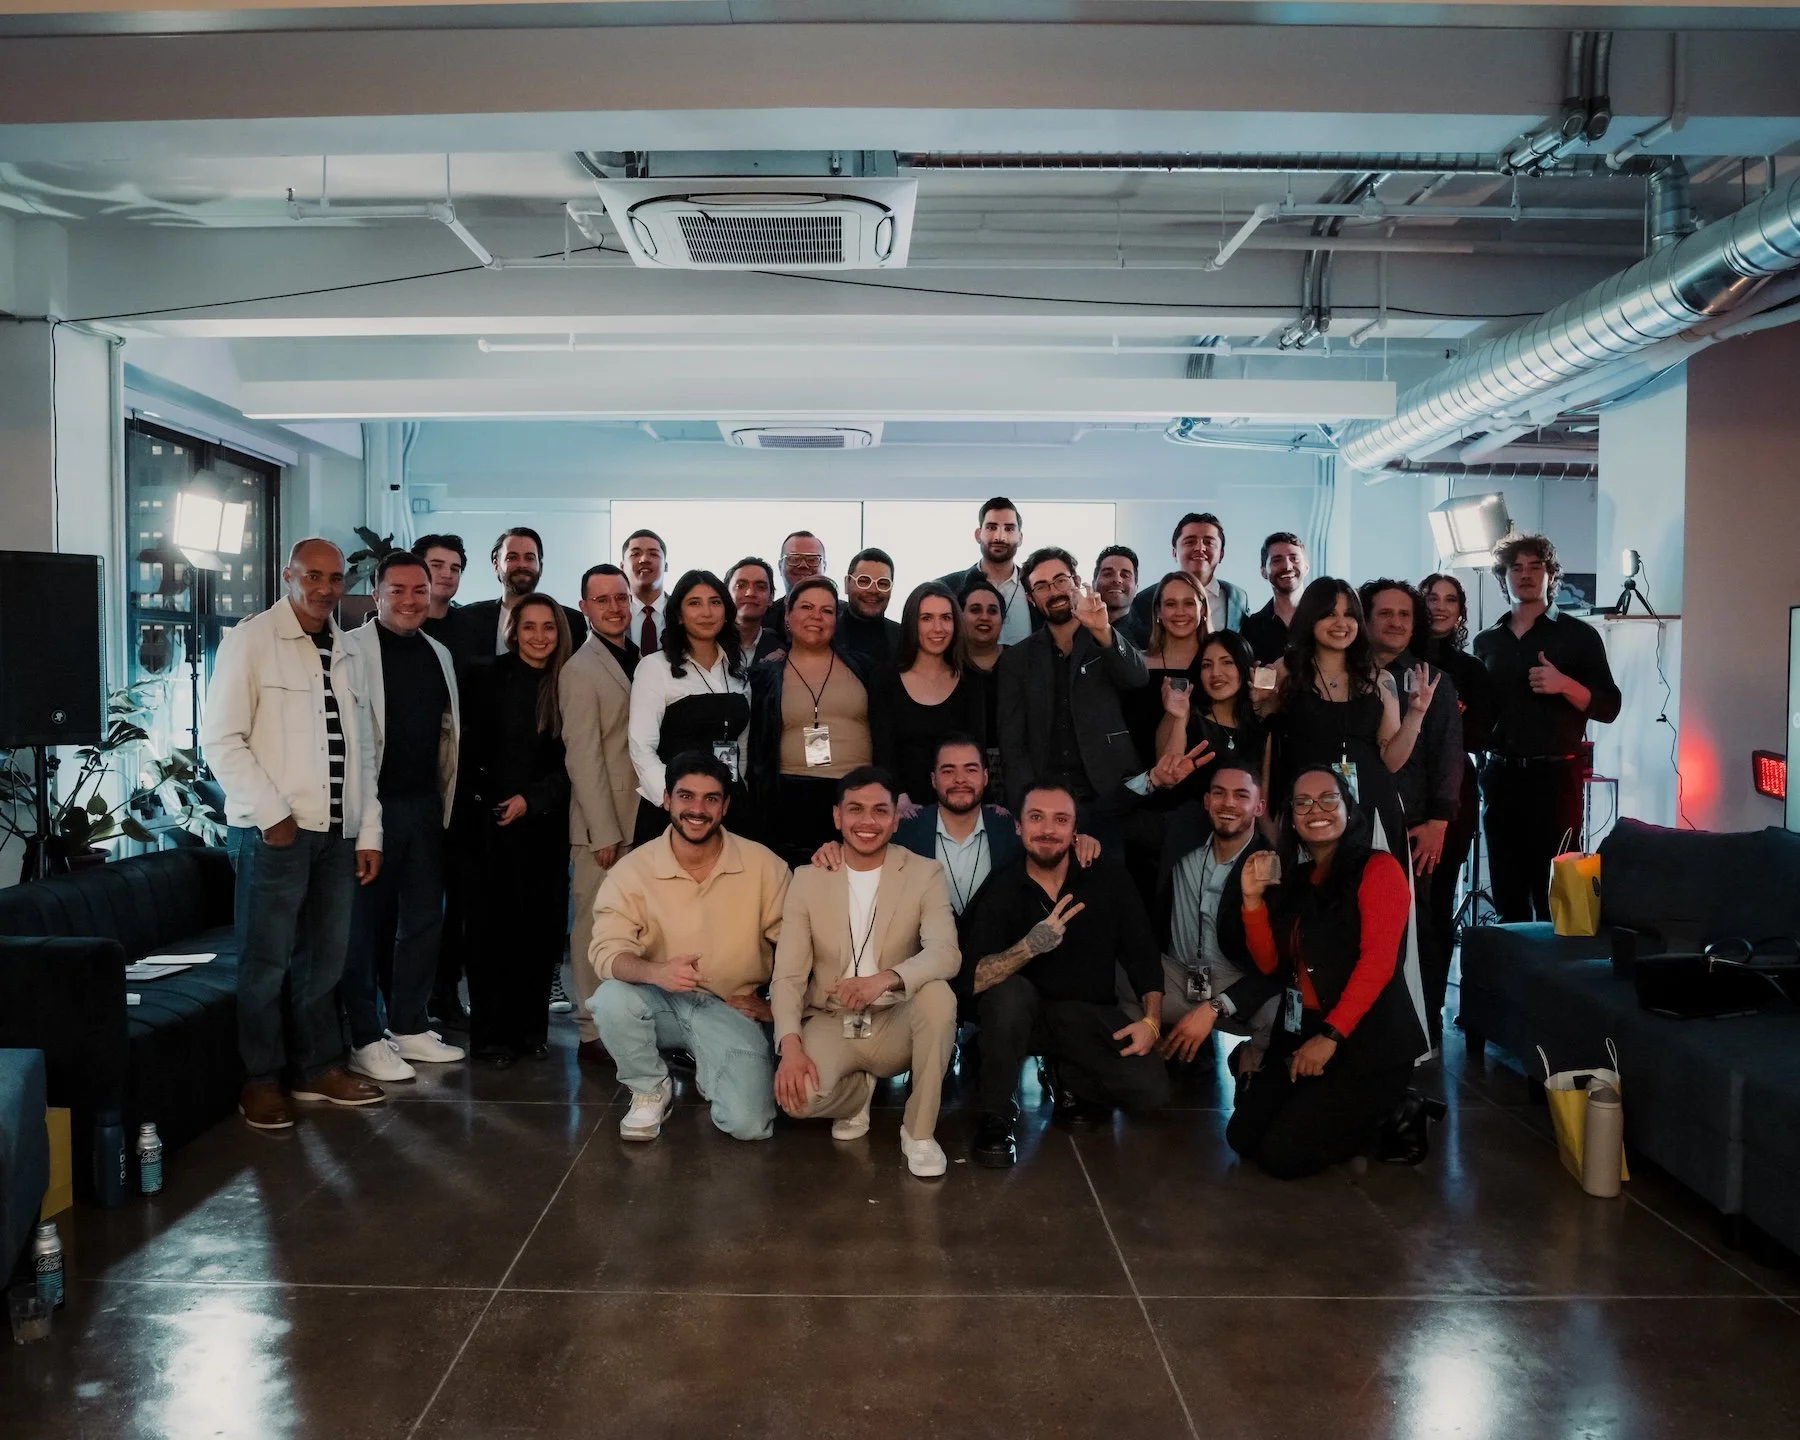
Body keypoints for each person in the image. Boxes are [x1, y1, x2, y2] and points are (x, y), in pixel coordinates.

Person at [202, 538, 386, 1128]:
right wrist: (270, 812)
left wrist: (368, 831)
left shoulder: (347, 650)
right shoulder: (251, 641)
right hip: (276, 833)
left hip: (338, 833)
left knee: (324, 962)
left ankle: (317, 1068)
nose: (325, 588)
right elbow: (221, 740)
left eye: (334, 579)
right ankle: (259, 1079)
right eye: (313, 576)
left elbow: (363, 752)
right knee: (265, 962)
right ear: (288, 576)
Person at [1227, 766, 1434, 1179]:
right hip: (1307, 1033)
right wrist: (1251, 901)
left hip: (1367, 1044)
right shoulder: (1298, 878)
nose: (1315, 809)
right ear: (1291, 816)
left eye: (1328, 799)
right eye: (1302, 802)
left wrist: (1330, 1037)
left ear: (1347, 807)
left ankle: (1396, 1111)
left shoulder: (1379, 870)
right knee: (1241, 1137)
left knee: (1281, 1157)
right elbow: (1271, 964)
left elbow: (1377, 965)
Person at [962, 782, 1169, 1167]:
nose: (1047, 829)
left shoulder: (1107, 877)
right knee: (1007, 999)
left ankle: (1066, 1073)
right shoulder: (1002, 887)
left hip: (1081, 1015)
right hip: (1023, 1016)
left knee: (1150, 1091)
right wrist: (1030, 946)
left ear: (1076, 831)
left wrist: (1152, 1021)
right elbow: (971, 979)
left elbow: (1142, 953)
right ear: (1019, 828)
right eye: (1036, 818)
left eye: (1061, 820)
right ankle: (996, 1115)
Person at [588, 752, 789, 1143]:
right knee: (611, 999)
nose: (697, 809)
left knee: (750, 1126)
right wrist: (655, 972)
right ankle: (649, 1087)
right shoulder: (633, 869)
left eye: (711, 798)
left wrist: (774, 1008)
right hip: (660, 999)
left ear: (725, 806)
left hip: (732, 1008)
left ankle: (709, 1058)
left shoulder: (765, 866)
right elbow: (606, 953)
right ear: (666, 799)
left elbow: (800, 950)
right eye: (686, 796)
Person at [771, 767, 961, 1178]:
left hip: (896, 1019)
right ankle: (859, 1095)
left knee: (939, 996)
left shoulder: (924, 872)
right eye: (855, 809)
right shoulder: (806, 879)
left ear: (895, 818)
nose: (867, 821)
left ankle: (919, 1132)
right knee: (796, 1100)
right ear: (837, 817)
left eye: (880, 810)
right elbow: (787, 976)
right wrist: (790, 1046)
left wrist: (885, 979)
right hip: (831, 1018)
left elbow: (946, 953)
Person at [338, 553, 466, 1084]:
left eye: (420, 589)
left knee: (422, 921)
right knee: (362, 928)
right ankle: (365, 1037)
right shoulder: (350, 652)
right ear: (376, 594)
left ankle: (411, 1025)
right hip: (371, 807)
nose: (411, 600)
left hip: (423, 807)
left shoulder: (439, 653)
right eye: (398, 591)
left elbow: (445, 735)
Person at [1474, 533, 1621, 923]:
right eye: (1515, 568)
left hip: (1556, 777)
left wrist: (1564, 685)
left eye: (1534, 567)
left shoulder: (1578, 636)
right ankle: (1509, 980)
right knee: (1507, 891)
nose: (1524, 575)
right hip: (1500, 775)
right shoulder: (1486, 641)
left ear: (1550, 575)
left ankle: (1557, 978)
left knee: (1560, 894)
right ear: (1502, 577)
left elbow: (1609, 707)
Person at [463, 593, 572, 1067]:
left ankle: (530, 1032)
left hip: (545, 825)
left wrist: (536, 799)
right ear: (514, 630)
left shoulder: (567, 683)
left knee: (540, 932)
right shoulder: (486, 676)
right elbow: (467, 751)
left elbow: (572, 762)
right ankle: (490, 1038)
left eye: (549, 627)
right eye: (530, 627)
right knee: (492, 935)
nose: (539, 637)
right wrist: (492, 802)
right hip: (491, 825)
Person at [1360, 578, 1465, 1042]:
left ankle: (1422, 1023)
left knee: (1415, 926)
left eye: (1405, 614)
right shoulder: (1343, 674)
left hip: (1414, 825)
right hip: (1352, 822)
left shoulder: (1430, 679)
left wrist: (1437, 823)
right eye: (1385, 613)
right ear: (1365, 619)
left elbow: (1449, 754)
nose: (1396, 622)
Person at [1264, 577, 1430, 852]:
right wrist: (1266, 817)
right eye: (1330, 614)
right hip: (1307, 809)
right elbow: (1266, 744)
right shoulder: (1283, 672)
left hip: (1370, 805)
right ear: (1311, 617)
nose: (1341, 623)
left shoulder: (1380, 679)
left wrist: (1416, 713)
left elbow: (1391, 761)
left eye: (1349, 615)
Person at [1144, 765, 1281, 1083]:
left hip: (1237, 984)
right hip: (1178, 977)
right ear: (1206, 801)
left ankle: (1251, 1062)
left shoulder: (1270, 865)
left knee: (1285, 1011)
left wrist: (1215, 1007)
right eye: (1219, 793)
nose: (1228, 803)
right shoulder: (1182, 837)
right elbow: (1114, 818)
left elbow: (1280, 968)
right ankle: (1143, 1063)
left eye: (1241, 795)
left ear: (1258, 807)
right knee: (1113, 978)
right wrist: (1150, 781)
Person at [996, 546, 1148, 823]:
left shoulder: (1105, 639)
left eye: (1061, 580)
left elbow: (1138, 678)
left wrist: (1102, 631)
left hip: (1109, 795)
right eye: (1041, 586)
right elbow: (1013, 746)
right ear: (1031, 599)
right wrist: (1024, 806)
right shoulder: (1016, 660)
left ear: (1076, 583)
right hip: (1045, 802)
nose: (1054, 592)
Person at [561, 563, 642, 1074]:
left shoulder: (642, 659)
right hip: (603, 826)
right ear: (585, 607)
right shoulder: (580, 668)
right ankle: (591, 1031)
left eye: (621, 598)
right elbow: (582, 756)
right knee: (594, 926)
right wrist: (603, 832)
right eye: (603, 600)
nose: (614, 608)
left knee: (634, 930)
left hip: (644, 818)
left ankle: (628, 1022)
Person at [748, 576, 875, 867]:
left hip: (856, 797)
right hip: (790, 800)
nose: (816, 616)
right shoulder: (765, 675)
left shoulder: (865, 668)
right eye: (806, 607)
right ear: (788, 616)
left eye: (827, 610)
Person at [627, 569, 752, 847]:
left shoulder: (737, 670)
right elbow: (640, 748)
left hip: (728, 806)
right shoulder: (655, 667)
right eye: (694, 603)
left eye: (715, 602)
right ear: (679, 615)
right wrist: (672, 800)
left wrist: (733, 796)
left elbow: (740, 746)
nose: (707, 612)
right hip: (673, 813)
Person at [1420, 571, 1496, 964]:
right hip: (1403, 791)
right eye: (1432, 598)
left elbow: (1482, 736)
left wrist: (1453, 719)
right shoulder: (1399, 661)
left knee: (1439, 899)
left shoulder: (1471, 670)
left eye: (1450, 600)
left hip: (1454, 794)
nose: (1440, 607)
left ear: (1461, 612)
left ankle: (1433, 1006)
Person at [870, 582, 986, 817]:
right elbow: (883, 749)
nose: (938, 627)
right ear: (912, 623)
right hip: (902, 811)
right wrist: (899, 799)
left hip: (961, 808)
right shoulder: (884, 679)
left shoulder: (972, 680)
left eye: (946, 617)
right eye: (926, 618)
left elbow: (977, 750)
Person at [1150, 630, 1270, 798]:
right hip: (1181, 819)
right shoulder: (1183, 716)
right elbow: (1166, 778)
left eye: (1227, 662)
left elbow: (1262, 798)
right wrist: (1179, 717)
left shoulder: (1259, 728)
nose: (1215, 673)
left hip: (1238, 822)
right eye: (1207, 665)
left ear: (1244, 668)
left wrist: (1264, 705)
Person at [450, 526, 582, 667]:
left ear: (540, 567)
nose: (522, 565)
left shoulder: (572, 622)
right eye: (512, 557)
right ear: (496, 565)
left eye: (529, 558)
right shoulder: (467, 619)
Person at [1121, 570, 1209, 770]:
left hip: (1210, 785)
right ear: (1158, 612)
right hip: (1144, 782)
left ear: (1202, 609)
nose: (1180, 612)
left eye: (1188, 603)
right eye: (1170, 604)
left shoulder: (1218, 665)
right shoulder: (1137, 665)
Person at [1124, 512, 1250, 647]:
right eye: (1190, 542)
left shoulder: (1238, 598)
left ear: (1221, 554)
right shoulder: (1145, 600)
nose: (1200, 548)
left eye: (1209, 542)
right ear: (1174, 552)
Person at [937, 496, 1037, 644]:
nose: (1000, 537)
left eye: (1009, 529)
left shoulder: (1037, 588)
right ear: (978, 534)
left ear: (1020, 537)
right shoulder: (946, 588)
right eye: (991, 527)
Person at [958, 577, 1008, 800]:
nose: (984, 617)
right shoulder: (946, 666)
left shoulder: (1020, 662)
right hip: (961, 773)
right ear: (960, 617)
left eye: (992, 611)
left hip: (1014, 770)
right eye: (975, 610)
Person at [1240, 532, 1308, 665]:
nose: (1288, 566)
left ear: (1306, 567)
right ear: (1263, 572)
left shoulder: (1324, 617)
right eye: (1277, 560)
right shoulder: (1251, 628)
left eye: (1294, 558)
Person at [838, 547, 902, 667]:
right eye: (863, 581)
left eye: (883, 583)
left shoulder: (904, 639)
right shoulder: (827, 635)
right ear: (847, 584)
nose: (873, 590)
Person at [765, 529, 828, 644]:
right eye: (794, 559)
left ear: (824, 566)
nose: (803, 565)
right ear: (780, 566)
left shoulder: (842, 616)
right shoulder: (764, 617)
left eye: (812, 559)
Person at [725, 556, 783, 669]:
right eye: (740, 586)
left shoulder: (781, 652)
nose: (750, 593)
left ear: (771, 598)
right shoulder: (707, 644)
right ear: (726, 594)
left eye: (760, 587)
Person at [414, 532, 466, 649]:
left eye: (454, 569)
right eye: (437, 565)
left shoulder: (472, 628)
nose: (447, 574)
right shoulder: (397, 623)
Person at [621, 528, 668, 657]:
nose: (644, 559)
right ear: (622, 567)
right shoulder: (611, 614)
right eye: (635, 554)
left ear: (666, 566)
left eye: (653, 554)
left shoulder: (682, 612)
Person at [1093, 545, 1139, 630]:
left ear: (1136, 588)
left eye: (1125, 575)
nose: (1117, 580)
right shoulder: (1075, 629)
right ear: (1093, 583)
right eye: (1108, 574)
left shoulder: (1148, 638)